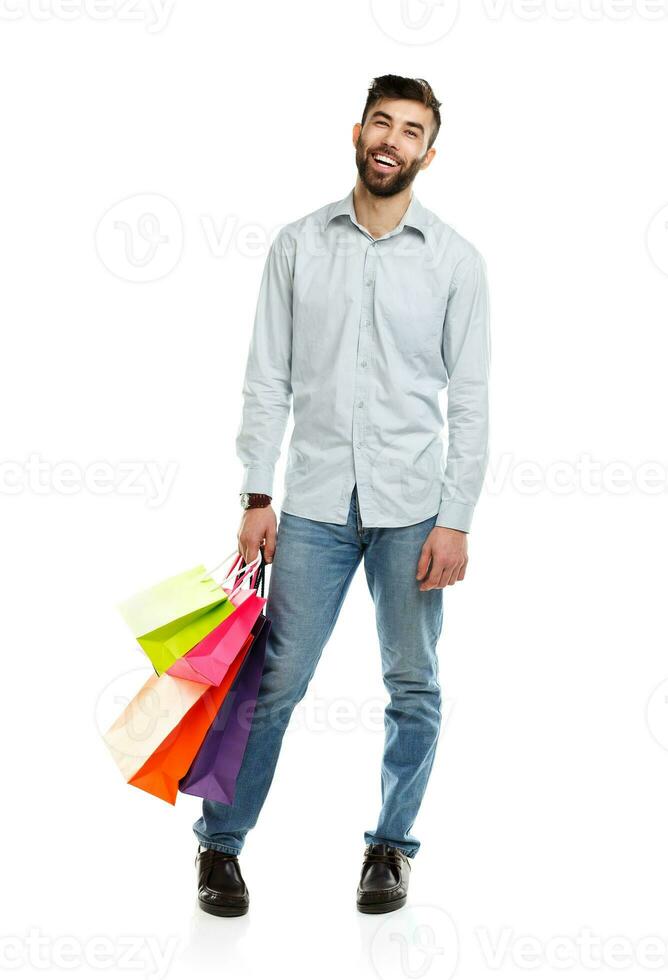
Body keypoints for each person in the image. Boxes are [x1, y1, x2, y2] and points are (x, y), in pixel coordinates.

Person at [193, 73, 491, 916]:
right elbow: (266, 379)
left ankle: (391, 847)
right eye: (381, 123)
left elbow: (470, 403)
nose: (393, 139)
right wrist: (257, 494)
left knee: (413, 684)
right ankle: (219, 845)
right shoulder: (297, 245)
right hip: (315, 506)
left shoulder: (456, 262)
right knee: (273, 681)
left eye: (412, 130)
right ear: (357, 134)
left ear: (429, 154)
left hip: (414, 514)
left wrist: (457, 520)